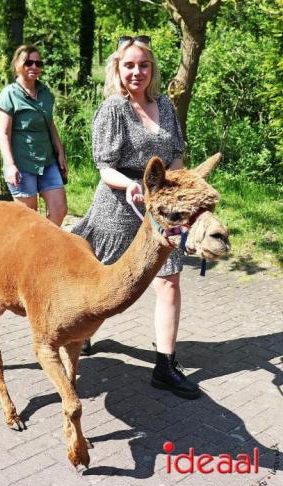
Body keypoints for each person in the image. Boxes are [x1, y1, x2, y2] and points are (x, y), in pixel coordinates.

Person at [71, 35, 200, 399]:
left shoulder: (167, 107)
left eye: (143, 65)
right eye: (129, 65)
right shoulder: (113, 108)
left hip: (160, 207)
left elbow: (175, 156)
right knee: (100, 278)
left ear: (151, 69)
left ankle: (165, 365)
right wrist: (130, 185)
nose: (137, 72)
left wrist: (170, 187)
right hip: (118, 206)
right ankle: (83, 333)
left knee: (169, 281)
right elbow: (104, 167)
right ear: (118, 68)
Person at [0, 44, 67, 226]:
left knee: (59, 210)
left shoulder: (45, 94)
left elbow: (50, 125)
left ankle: (43, 247)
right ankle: (26, 252)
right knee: (28, 219)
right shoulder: (9, 95)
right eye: (29, 63)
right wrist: (10, 165)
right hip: (23, 164)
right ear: (19, 65)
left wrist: (60, 154)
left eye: (38, 63)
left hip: (47, 162)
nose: (34, 67)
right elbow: (3, 133)